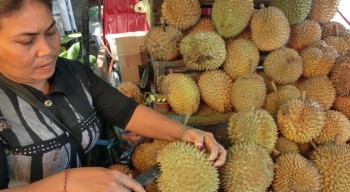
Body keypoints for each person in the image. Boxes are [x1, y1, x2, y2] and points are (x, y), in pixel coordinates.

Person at [0, 0, 227, 191]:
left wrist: (186, 132)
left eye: (51, 32)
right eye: (26, 41)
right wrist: (65, 183)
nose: (48, 49)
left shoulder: (74, 74)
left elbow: (125, 112)